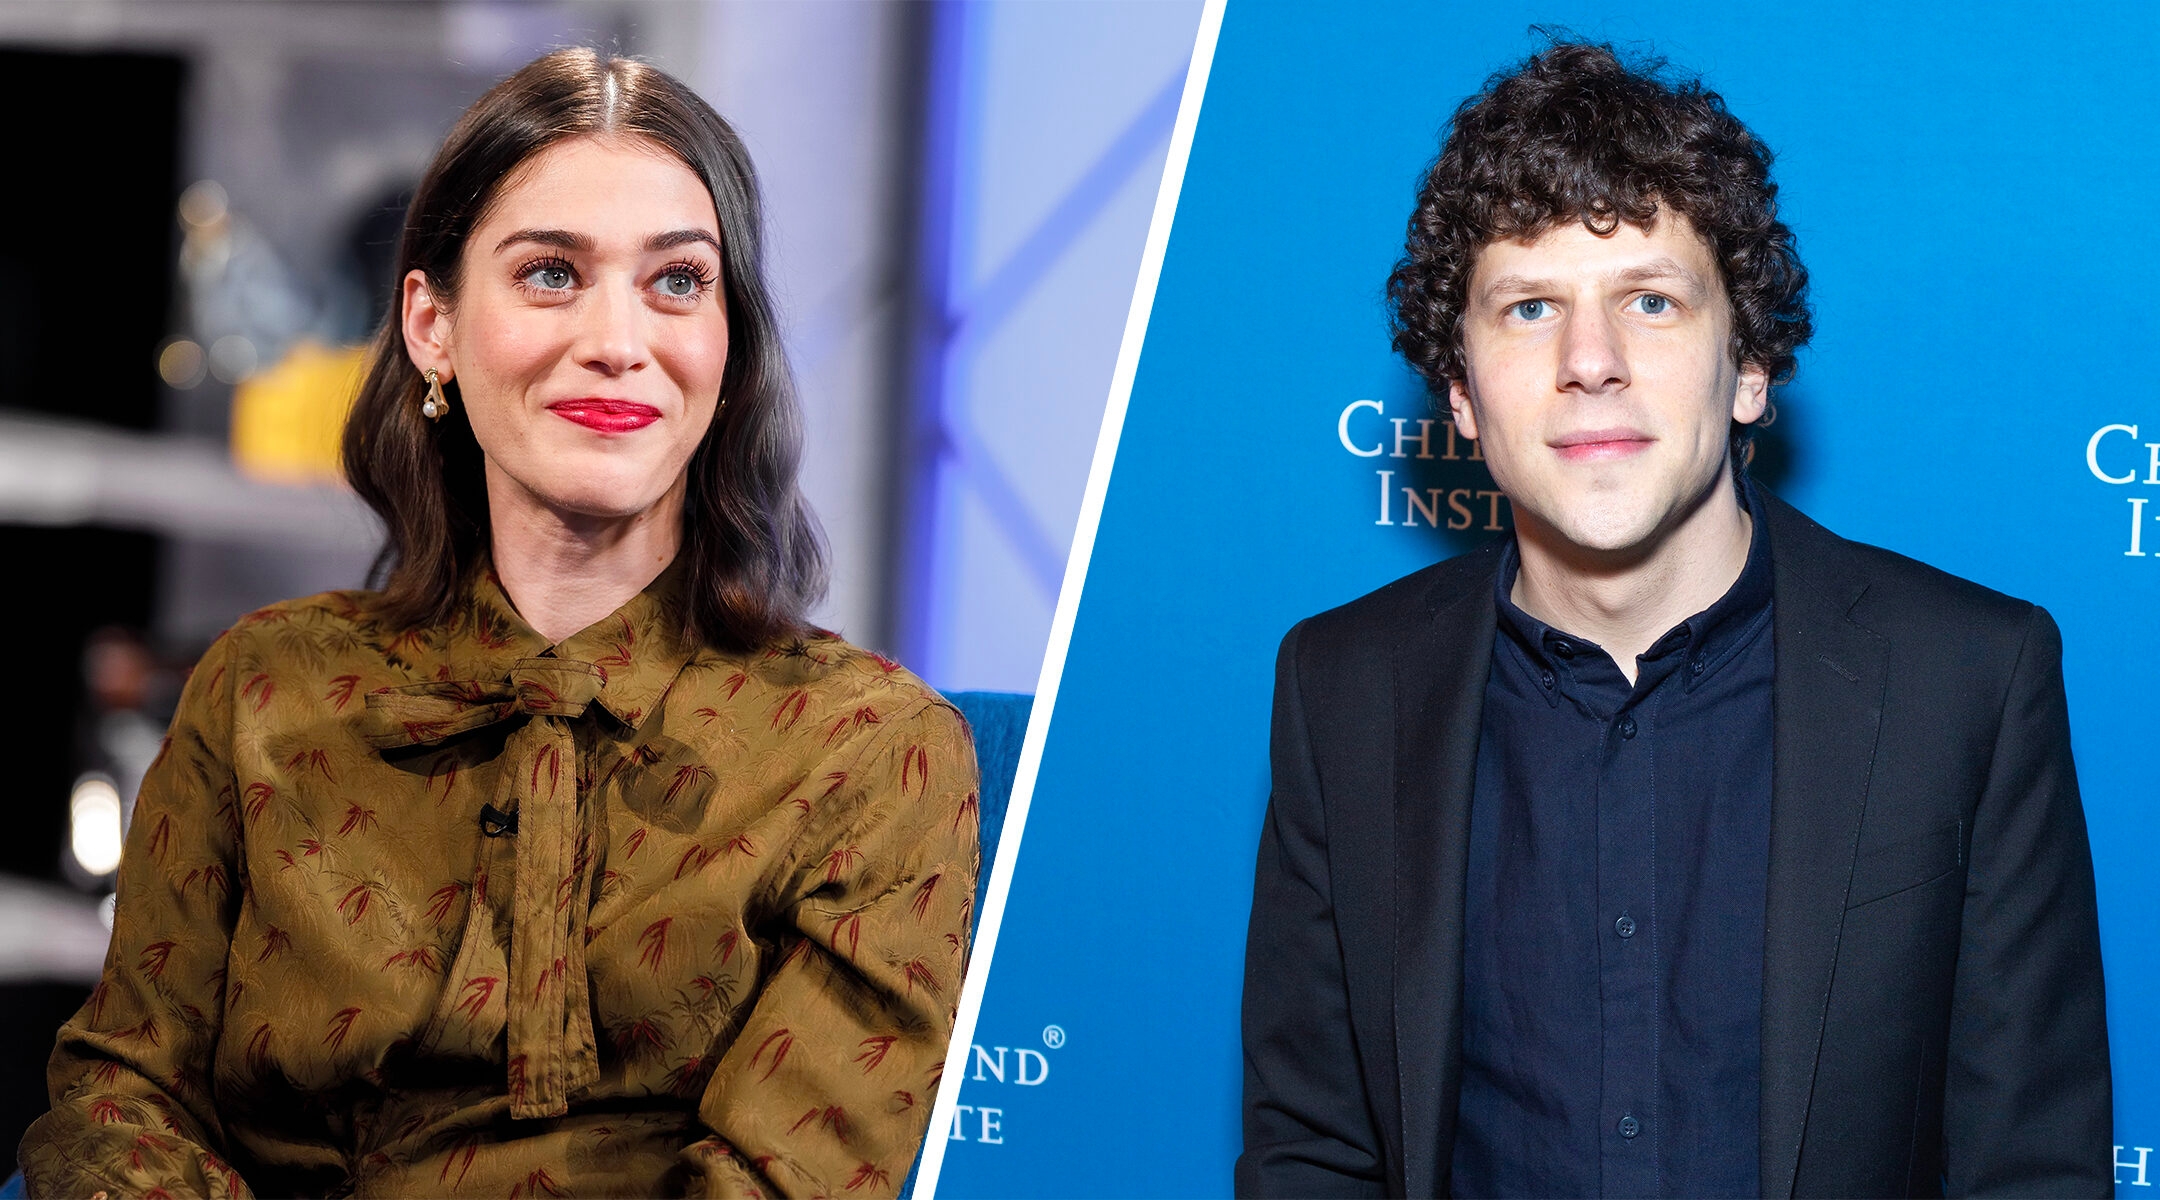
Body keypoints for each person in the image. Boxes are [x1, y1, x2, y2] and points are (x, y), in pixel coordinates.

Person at [20, 49, 978, 1199]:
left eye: (678, 281)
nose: (619, 340)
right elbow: (119, 1103)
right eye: (551, 274)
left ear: (729, 349)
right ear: (432, 323)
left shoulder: (871, 751)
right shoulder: (263, 690)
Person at [1237, 41, 2109, 1199]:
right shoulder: (1341, 686)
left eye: (1650, 300)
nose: (1589, 362)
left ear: (1749, 366)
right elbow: (1314, 1153)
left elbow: (2031, 1170)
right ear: (1459, 392)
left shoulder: (1969, 677)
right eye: (1529, 306)